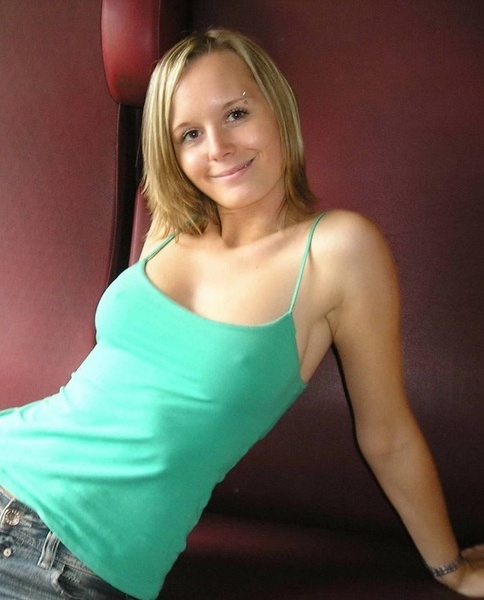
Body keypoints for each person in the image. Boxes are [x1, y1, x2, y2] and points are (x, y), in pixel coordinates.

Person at [0, 27, 483, 600]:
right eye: (189, 134)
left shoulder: (337, 251)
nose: (217, 148)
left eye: (235, 113)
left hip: (64, 561)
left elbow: (387, 434)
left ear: (277, 107)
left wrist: (452, 569)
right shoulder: (171, 224)